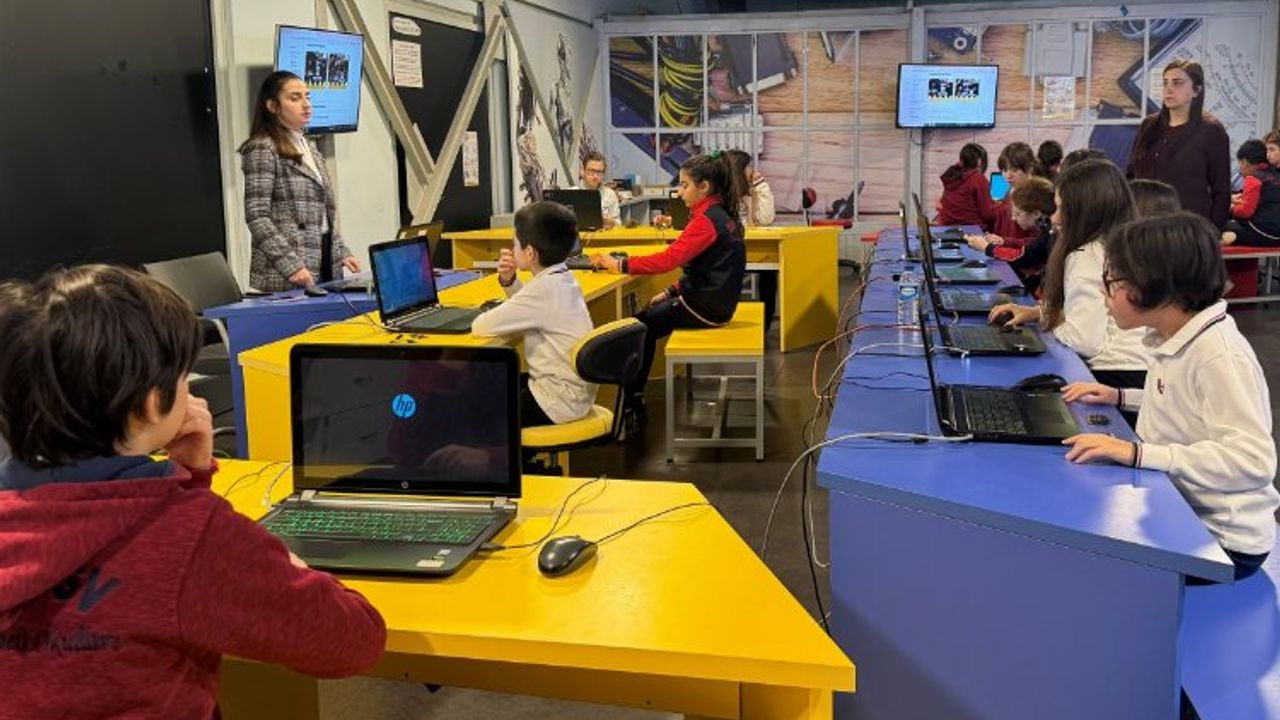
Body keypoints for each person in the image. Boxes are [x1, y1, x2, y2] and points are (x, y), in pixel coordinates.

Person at [0, 265, 385, 718]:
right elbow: (352, 641)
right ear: (150, 404)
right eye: (184, 375)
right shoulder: (192, 538)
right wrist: (289, 562)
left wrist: (189, 477)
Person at [1061, 212, 1278, 582]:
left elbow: (1252, 461)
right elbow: (1185, 404)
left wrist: (1137, 453)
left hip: (1221, 540)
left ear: (1156, 285)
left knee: (1080, 565)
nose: (1103, 292)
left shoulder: (1219, 356)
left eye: (1112, 281)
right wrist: (1120, 397)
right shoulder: (1177, 334)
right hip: (1178, 506)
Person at [591, 153, 746, 423]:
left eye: (684, 185)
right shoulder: (718, 214)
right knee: (646, 319)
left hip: (707, 308)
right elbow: (706, 268)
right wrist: (672, 291)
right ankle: (633, 397)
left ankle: (631, 402)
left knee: (639, 327)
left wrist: (621, 264)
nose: (679, 192)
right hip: (713, 302)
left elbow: (668, 260)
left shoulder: (706, 220)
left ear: (704, 187)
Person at [988, 159, 1150, 394]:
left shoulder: (1087, 256)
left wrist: (1050, 324)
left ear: (1085, 212)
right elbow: (1093, 313)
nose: (1054, 219)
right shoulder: (1125, 245)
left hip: (1111, 374)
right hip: (1139, 372)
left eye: (1060, 209)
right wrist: (1039, 313)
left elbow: (1083, 340)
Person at [471, 201, 596, 427]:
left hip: (555, 402)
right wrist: (510, 281)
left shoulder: (542, 291)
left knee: (474, 407)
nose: (512, 249)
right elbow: (533, 308)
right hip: (574, 394)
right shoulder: (562, 278)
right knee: (497, 383)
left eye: (515, 243)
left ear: (529, 253)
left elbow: (480, 326)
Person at [240, 71, 360, 292]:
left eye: (307, 96)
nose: (306, 105)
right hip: (287, 268)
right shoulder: (262, 147)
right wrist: (290, 265)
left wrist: (341, 251)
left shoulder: (309, 147)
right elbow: (257, 216)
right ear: (272, 106)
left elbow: (322, 215)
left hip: (323, 258)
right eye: (295, 98)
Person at [1126, 60, 1232, 228]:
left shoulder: (1211, 131)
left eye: (1177, 83)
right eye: (1165, 83)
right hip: (1143, 225)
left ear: (1196, 90)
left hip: (1188, 229)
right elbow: (1131, 175)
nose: (1169, 89)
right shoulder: (1149, 125)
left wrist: (1214, 232)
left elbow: (1222, 190)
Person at [966, 177, 1055, 295]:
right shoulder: (1047, 230)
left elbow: (1025, 257)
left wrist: (987, 248)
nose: (1013, 218)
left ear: (1036, 214)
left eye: (1018, 214)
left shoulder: (1051, 234)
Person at [725, 149, 779, 332]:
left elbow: (765, 219)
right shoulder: (722, 195)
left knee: (769, 274)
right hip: (731, 251)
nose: (752, 170)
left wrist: (761, 186)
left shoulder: (753, 190)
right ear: (738, 170)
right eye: (748, 166)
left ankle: (764, 325)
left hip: (755, 248)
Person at [1223, 139, 1280, 247]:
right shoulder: (1275, 173)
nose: (1240, 169)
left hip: (1265, 232)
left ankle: (1233, 236)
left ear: (1245, 163)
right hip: (1277, 235)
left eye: (1239, 164)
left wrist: (1231, 208)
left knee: (1219, 224)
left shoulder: (1253, 178)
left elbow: (1246, 212)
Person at [988, 142, 1042, 247]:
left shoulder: (1037, 195)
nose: (1008, 176)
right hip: (1002, 251)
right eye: (1004, 170)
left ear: (1029, 168)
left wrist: (1005, 241)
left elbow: (1039, 242)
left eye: (1014, 170)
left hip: (1021, 255)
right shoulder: (1010, 190)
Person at [937, 142, 997, 229]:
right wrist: (999, 207)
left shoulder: (951, 176)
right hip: (972, 230)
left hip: (946, 229)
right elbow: (987, 215)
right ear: (980, 162)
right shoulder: (978, 179)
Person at [573, 151, 620, 230]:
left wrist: (613, 223)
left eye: (599, 172)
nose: (595, 176)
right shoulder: (571, 193)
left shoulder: (610, 194)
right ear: (582, 171)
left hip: (604, 236)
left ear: (603, 174)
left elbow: (619, 223)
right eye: (591, 171)